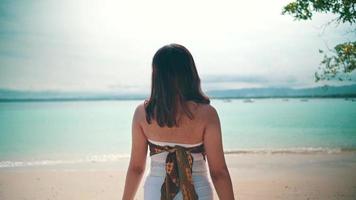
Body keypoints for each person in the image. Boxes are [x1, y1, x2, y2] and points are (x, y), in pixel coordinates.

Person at [122, 44, 235, 200]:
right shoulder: (207, 114)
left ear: (156, 75)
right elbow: (218, 172)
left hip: (155, 193)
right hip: (199, 192)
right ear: (190, 73)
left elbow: (136, 168)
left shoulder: (143, 113)